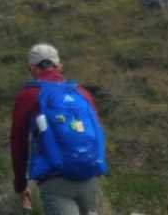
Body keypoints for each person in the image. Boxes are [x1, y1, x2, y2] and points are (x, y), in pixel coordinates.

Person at [9, 42, 106, 214]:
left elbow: (18, 143)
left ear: (32, 68)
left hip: (55, 181)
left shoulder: (28, 95)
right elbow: (97, 131)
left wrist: (20, 185)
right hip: (90, 177)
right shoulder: (81, 93)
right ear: (59, 66)